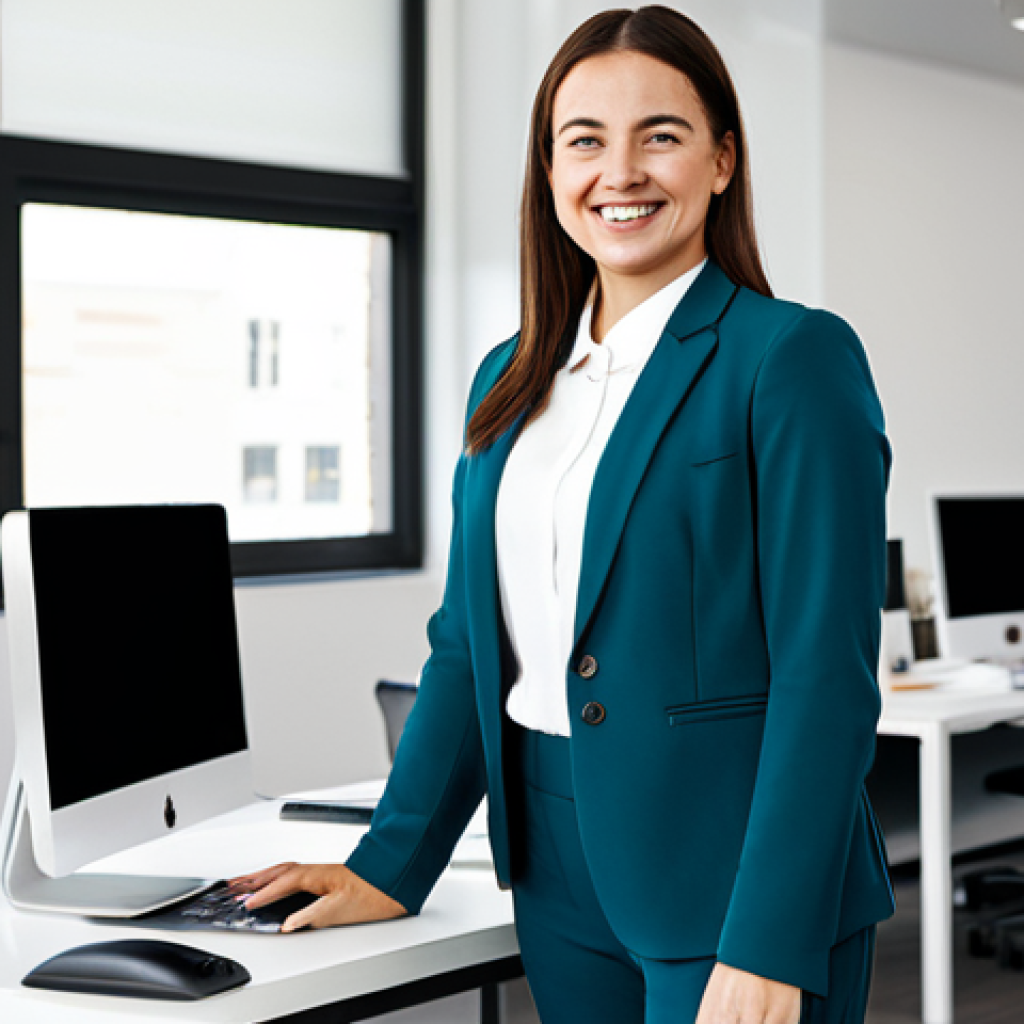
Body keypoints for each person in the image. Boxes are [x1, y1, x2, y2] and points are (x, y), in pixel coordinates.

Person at [232, 7, 896, 1022]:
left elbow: (825, 679)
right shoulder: (509, 377)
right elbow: (467, 646)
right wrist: (391, 861)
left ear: (721, 160)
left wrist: (768, 936)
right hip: (555, 865)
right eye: (583, 140)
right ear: (549, 174)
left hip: (732, 878)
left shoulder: (789, 358)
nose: (618, 172)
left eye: (659, 136)